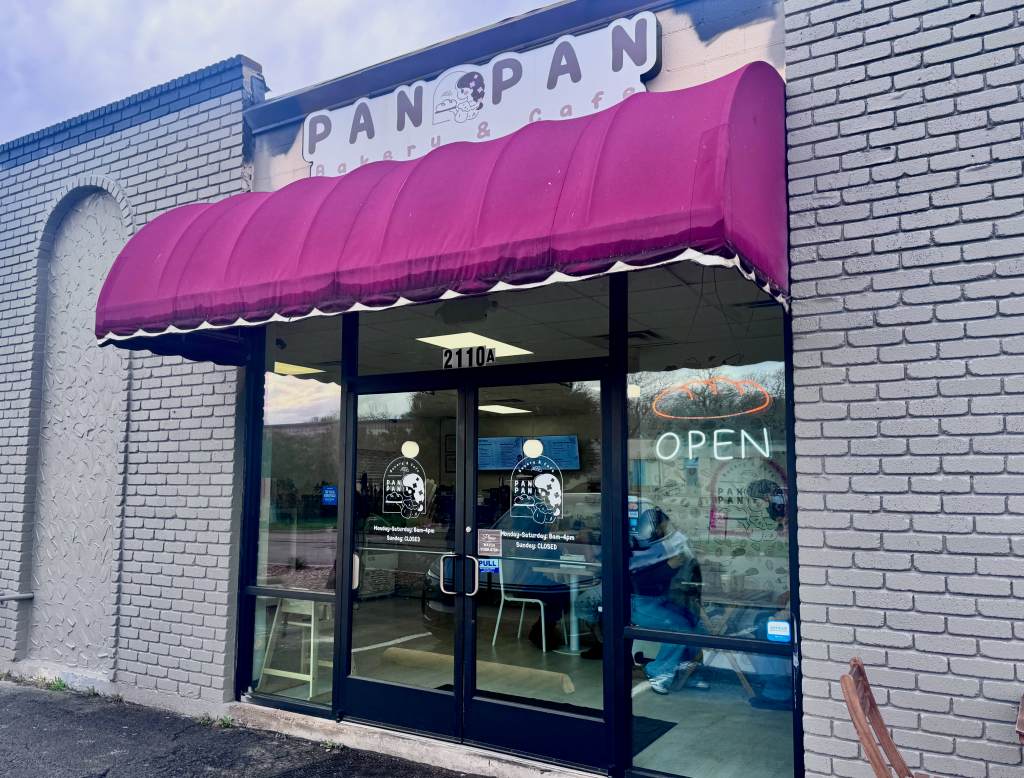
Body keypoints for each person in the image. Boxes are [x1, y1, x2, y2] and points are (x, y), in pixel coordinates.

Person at [630, 505, 702, 694]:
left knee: (696, 624)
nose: (666, 530)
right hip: (639, 603)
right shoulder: (637, 546)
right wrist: (670, 566)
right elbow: (638, 580)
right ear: (653, 528)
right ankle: (657, 672)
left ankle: (685, 673)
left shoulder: (660, 545)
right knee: (680, 629)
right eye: (663, 526)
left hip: (659, 600)